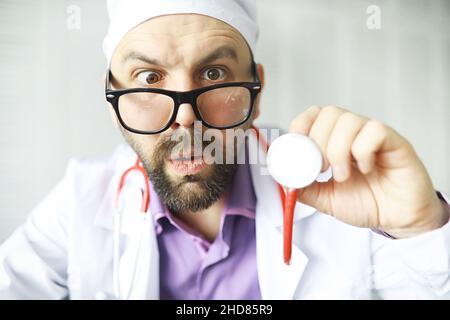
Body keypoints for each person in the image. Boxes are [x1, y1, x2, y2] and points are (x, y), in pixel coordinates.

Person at [0, 0, 449, 300]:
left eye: (214, 75)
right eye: (150, 79)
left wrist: (422, 228)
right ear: (112, 97)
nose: (186, 119)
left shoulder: (342, 186)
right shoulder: (81, 199)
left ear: (256, 89)